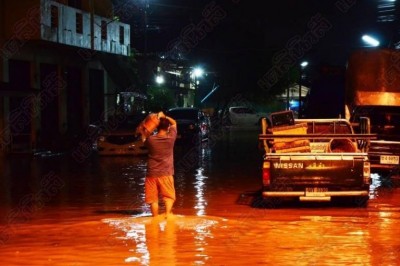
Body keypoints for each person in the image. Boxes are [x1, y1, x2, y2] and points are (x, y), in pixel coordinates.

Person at [144, 111, 177, 219]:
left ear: (157, 127)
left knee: (153, 199)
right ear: (167, 128)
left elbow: (144, 133)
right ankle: (167, 214)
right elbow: (174, 123)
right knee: (169, 196)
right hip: (166, 173)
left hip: (151, 173)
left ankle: (155, 218)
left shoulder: (150, 140)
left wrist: (153, 122)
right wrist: (164, 116)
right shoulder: (171, 139)